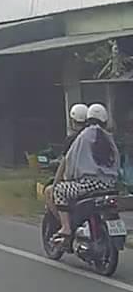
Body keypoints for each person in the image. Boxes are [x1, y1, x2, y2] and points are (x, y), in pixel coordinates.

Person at [50, 103, 121, 241]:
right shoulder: (109, 137)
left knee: (59, 190)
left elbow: (71, 161)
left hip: (89, 185)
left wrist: (69, 178)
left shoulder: (83, 136)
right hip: (109, 185)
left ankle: (66, 227)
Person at [43, 104, 91, 220]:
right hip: (103, 182)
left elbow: (63, 163)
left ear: (72, 121)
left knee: (50, 191)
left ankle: (65, 224)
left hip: (81, 181)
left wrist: (55, 183)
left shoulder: (73, 139)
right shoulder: (95, 136)